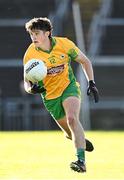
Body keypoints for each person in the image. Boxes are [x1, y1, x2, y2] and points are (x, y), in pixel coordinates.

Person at [23, 17, 99, 173]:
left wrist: (91, 83)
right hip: (50, 97)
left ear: (48, 33)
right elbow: (26, 82)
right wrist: (31, 89)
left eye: (37, 33)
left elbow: (85, 61)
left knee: (72, 119)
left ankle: (81, 161)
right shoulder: (30, 54)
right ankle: (78, 139)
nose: (33, 37)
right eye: (31, 34)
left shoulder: (65, 44)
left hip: (68, 87)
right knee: (71, 133)